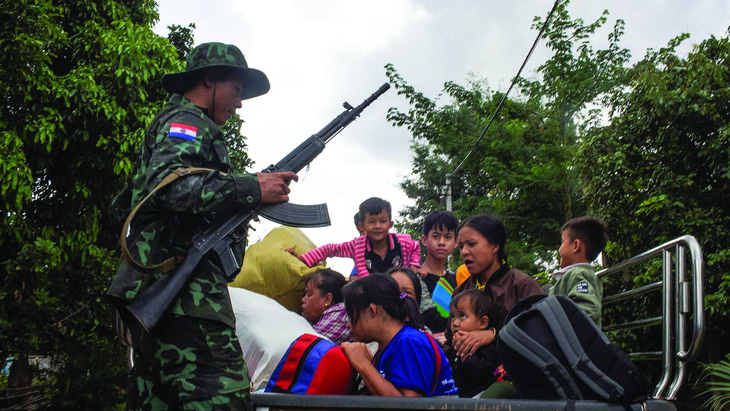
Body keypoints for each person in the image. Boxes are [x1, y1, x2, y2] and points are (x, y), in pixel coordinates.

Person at [106, 42, 297, 410]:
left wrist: (230, 213)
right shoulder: (188, 122)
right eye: (237, 91)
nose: (240, 103)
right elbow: (170, 187)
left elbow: (125, 207)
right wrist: (251, 186)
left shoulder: (177, 125)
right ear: (210, 79)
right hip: (186, 302)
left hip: (166, 301)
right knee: (222, 396)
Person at [340, 274, 458, 397]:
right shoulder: (393, 344)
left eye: (350, 314)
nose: (348, 324)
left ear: (372, 311)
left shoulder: (409, 343)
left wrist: (363, 364)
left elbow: (409, 406)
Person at [448, 214, 544, 361]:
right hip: (466, 373)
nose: (464, 252)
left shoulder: (521, 285)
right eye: (461, 247)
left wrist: (494, 334)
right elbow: (449, 337)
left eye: (471, 244)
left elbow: (541, 332)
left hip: (513, 375)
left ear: (495, 246)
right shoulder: (461, 291)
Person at [290, 197, 420, 277]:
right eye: (371, 222)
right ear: (362, 225)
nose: (377, 226)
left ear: (390, 224)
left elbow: (416, 246)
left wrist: (414, 265)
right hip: (371, 295)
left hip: (399, 293)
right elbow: (330, 249)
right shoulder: (357, 246)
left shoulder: (401, 241)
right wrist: (303, 259)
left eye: (382, 221)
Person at [549, 216, 608, 327]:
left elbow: (587, 310)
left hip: (572, 343)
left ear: (576, 245)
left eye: (562, 242)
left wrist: (555, 327)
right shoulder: (575, 274)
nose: (559, 249)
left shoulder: (578, 274)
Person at [444, 290, 501, 398]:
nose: (455, 323)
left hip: (474, 398)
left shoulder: (488, 349)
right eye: (453, 317)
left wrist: (464, 354)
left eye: (462, 316)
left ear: (483, 322)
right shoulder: (451, 344)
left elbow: (479, 374)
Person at [416, 210, 459, 333]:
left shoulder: (457, 278)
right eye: (435, 236)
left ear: (456, 242)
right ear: (425, 240)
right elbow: (429, 318)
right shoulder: (416, 278)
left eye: (448, 237)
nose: (441, 242)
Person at [301, 269, 352, 345]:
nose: (303, 300)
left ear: (328, 299)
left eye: (309, 294)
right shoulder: (316, 317)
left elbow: (301, 344)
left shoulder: (340, 315)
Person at [386, 267, 427, 331]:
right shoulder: (370, 336)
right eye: (393, 290)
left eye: (406, 292)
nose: (399, 296)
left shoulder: (424, 336)